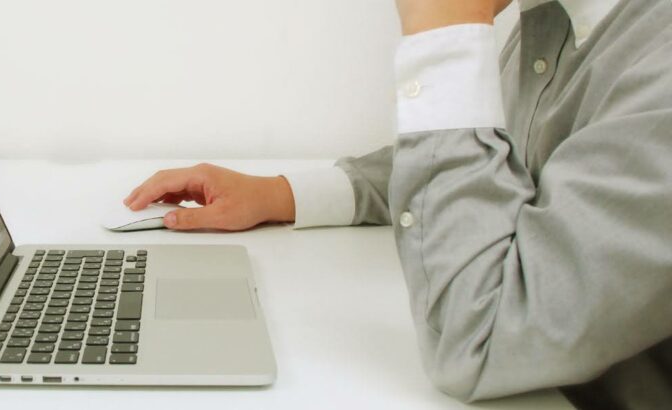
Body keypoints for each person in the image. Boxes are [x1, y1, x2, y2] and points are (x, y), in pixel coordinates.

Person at [124, 0, 672, 406]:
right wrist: (281, 195)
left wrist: (448, 34)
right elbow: (495, 167)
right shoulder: (559, 23)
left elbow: (481, 341)